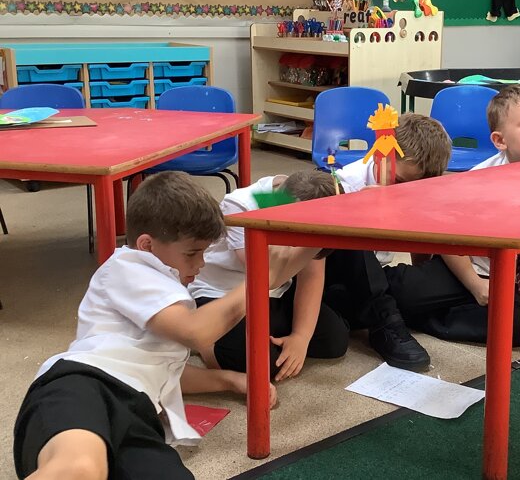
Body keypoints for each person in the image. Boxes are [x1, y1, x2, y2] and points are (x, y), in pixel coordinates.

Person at [13, 171, 275, 479]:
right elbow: (196, 333)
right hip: (82, 384)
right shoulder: (126, 266)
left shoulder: (169, 289)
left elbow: (159, 372)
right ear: (147, 245)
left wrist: (229, 380)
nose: (201, 263)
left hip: (137, 411)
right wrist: (261, 279)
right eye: (192, 253)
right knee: (79, 469)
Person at [385, 84, 520, 347]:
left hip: (510, 281)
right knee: (398, 289)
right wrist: (475, 285)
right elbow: (449, 238)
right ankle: (397, 308)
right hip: (465, 269)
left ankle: (416, 317)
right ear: (500, 140)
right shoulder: (479, 181)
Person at [190, 169, 349, 382]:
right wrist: (315, 242)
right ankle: (205, 345)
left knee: (334, 340)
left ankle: (252, 339)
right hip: (224, 295)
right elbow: (266, 276)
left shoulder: (297, 200)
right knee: (260, 365)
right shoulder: (241, 206)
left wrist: (300, 337)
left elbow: (311, 275)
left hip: (274, 294)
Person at [324, 113, 453, 371]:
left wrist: (421, 276)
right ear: (379, 156)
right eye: (400, 182)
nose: (402, 191)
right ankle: (385, 319)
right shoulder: (344, 185)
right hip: (340, 280)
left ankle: (394, 311)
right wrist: (358, 210)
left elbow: (420, 241)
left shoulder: (416, 185)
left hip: (380, 279)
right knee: (348, 230)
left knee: (443, 279)